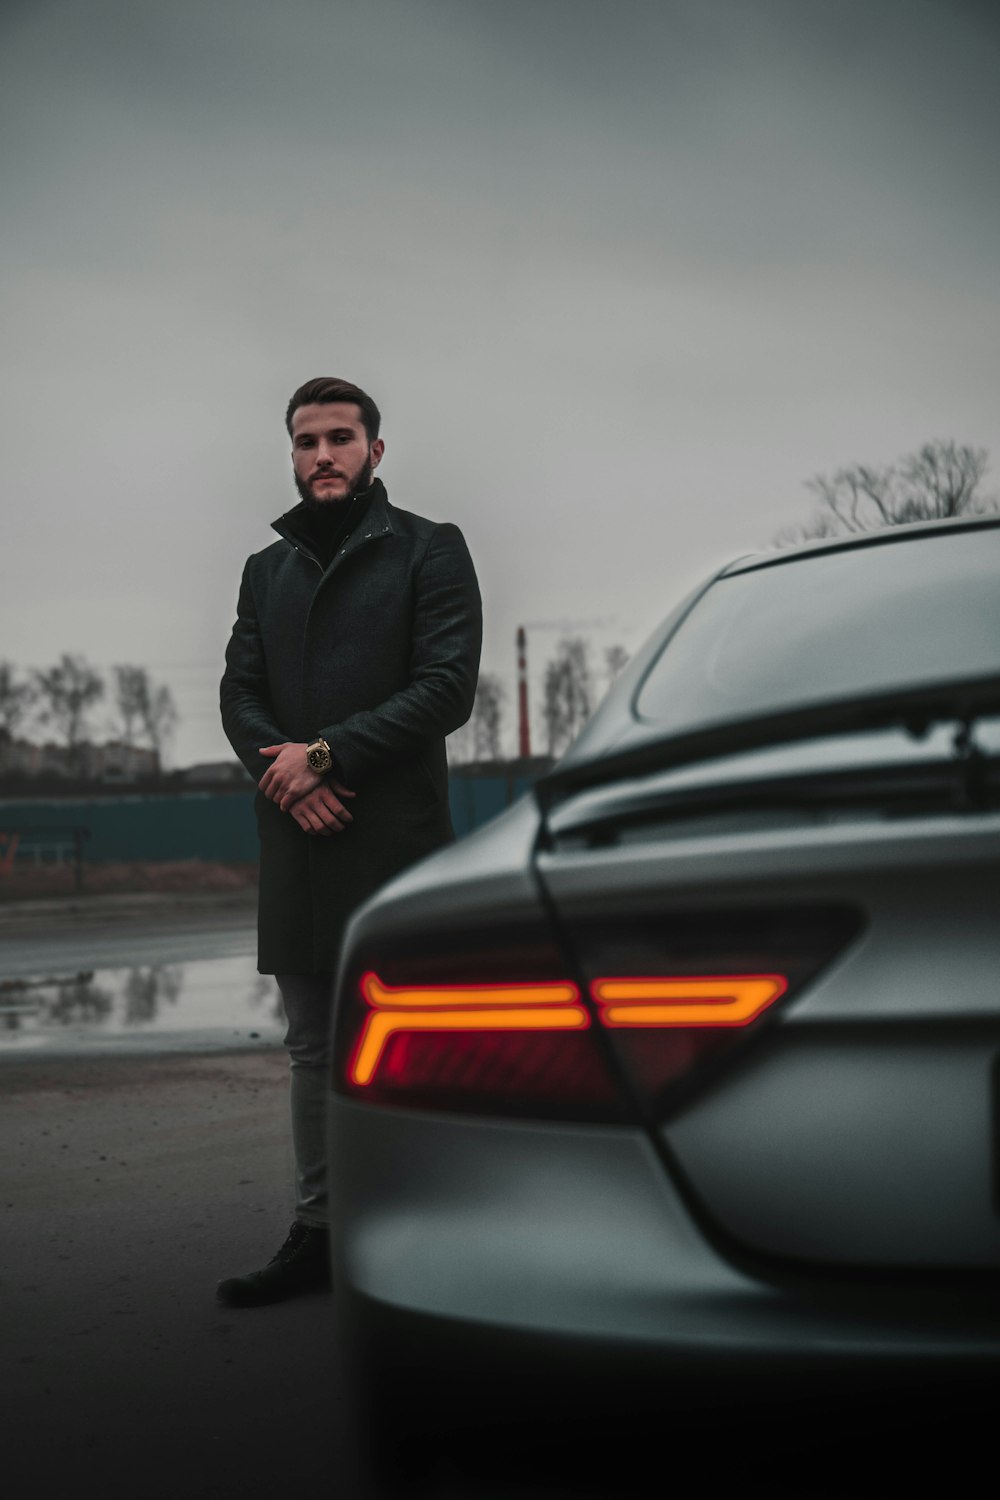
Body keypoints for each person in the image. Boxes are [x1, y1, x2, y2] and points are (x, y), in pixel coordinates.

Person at [217, 376, 482, 1305]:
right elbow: (237, 696)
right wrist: (291, 781)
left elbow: (447, 686)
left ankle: (433, 1230)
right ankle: (320, 1233)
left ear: (375, 450)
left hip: (394, 838)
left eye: (339, 437)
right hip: (299, 835)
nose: (321, 455)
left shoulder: (428, 550)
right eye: (305, 441)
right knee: (313, 1047)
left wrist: (326, 755)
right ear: (291, 456)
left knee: (411, 1039)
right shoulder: (265, 569)